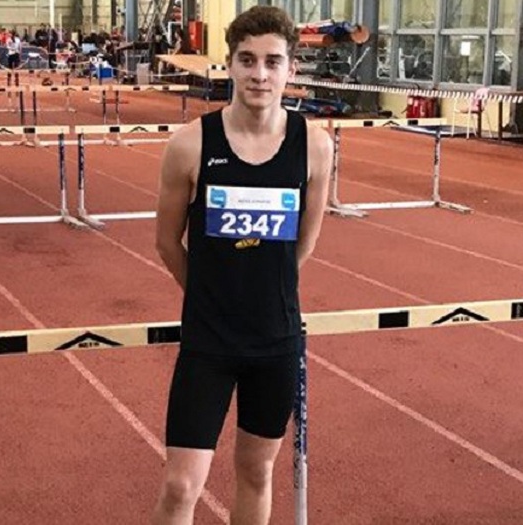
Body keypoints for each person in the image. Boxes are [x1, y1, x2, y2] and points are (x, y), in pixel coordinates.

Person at [153, 6, 332, 525]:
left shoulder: (315, 147)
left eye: (272, 62)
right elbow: (166, 243)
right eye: (247, 60)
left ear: (290, 68)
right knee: (180, 485)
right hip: (208, 344)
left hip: (275, 341)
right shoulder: (190, 143)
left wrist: (262, 294)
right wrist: (210, 295)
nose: (260, 74)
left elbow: (303, 245)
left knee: (256, 471)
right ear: (229, 64)